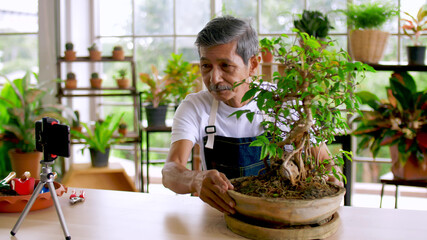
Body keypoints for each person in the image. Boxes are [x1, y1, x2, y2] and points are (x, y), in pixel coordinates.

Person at [162, 16, 338, 215]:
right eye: (206, 66)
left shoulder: (284, 103)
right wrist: (195, 180)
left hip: (279, 216)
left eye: (225, 66)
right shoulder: (195, 106)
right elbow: (170, 171)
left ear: (253, 64)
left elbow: (326, 165)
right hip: (220, 216)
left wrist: (328, 184)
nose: (214, 78)